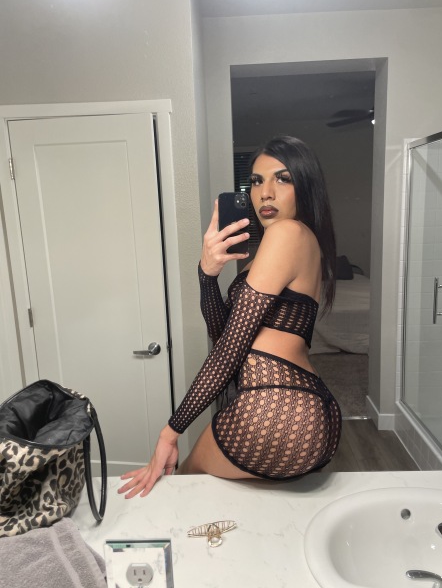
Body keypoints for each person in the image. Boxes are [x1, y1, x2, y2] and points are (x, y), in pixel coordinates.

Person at [118, 135, 341, 498]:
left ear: (305, 186)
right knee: (242, 506)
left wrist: (170, 433)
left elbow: (229, 351)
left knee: (186, 489)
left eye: (282, 179)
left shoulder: (287, 233)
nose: (265, 193)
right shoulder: (294, 243)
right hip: (306, 410)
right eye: (256, 181)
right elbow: (222, 332)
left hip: (273, 405)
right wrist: (207, 275)